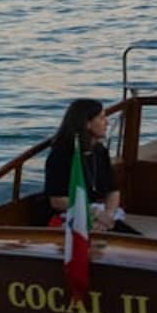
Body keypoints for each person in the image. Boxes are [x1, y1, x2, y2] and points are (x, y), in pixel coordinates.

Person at [43, 98, 129, 233]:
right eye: (101, 118)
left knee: (140, 242)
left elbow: (113, 190)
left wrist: (108, 216)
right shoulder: (61, 154)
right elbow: (57, 200)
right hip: (71, 216)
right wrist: (94, 213)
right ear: (87, 124)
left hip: (99, 216)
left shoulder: (100, 151)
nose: (107, 123)